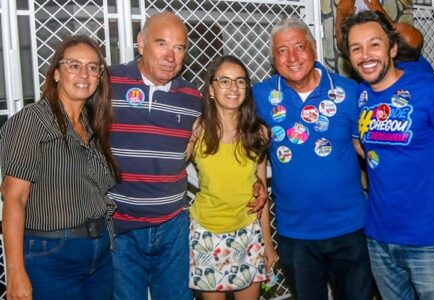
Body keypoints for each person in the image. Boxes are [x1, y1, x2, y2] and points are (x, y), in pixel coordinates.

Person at [108, 12, 267, 299]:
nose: (171, 56)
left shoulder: (191, 99)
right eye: (162, 43)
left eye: (179, 48)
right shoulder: (108, 83)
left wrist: (254, 184)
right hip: (122, 228)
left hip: (173, 227)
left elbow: (219, 155)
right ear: (141, 43)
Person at [252, 18, 372, 300]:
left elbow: (367, 150)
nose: (292, 57)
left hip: (351, 228)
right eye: (281, 51)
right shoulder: (261, 95)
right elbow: (247, 145)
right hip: (296, 234)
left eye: (298, 47)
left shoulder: (349, 92)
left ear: (313, 49)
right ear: (273, 57)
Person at [342, 10, 434, 299]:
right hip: (379, 239)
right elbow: (364, 147)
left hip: (433, 240)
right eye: (357, 48)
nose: (365, 54)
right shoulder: (360, 96)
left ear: (392, 48)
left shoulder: (432, 90)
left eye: (374, 44)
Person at [0, 35, 118, 300]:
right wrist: (16, 272)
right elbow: (14, 198)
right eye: (74, 65)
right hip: (51, 256)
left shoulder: (92, 125)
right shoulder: (33, 120)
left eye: (92, 67)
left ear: (100, 77)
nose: (84, 74)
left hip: (99, 254)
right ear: (56, 74)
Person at [186, 55, 278, 299]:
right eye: (224, 81)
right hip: (206, 233)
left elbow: (262, 192)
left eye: (240, 81)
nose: (233, 87)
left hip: (247, 233)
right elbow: (170, 168)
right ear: (212, 89)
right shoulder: (197, 130)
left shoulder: (259, 132)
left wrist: (268, 243)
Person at [336, 0, 434, 74]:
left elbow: (345, 46)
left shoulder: (384, 72)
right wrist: (380, 10)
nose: (391, 24)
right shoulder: (419, 61)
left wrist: (342, 14)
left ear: (393, 49)